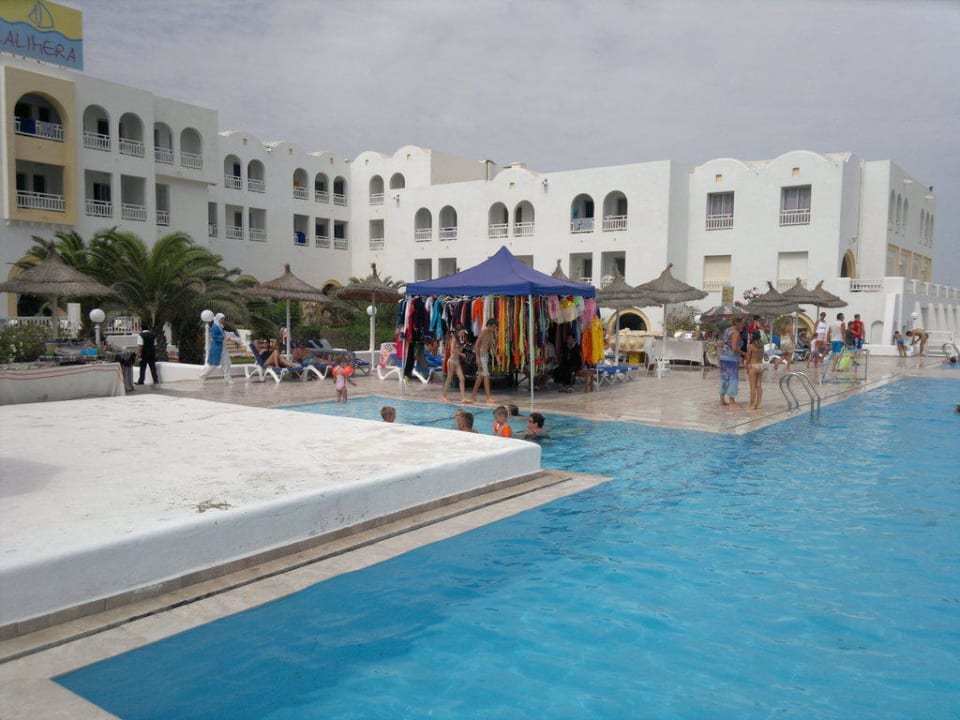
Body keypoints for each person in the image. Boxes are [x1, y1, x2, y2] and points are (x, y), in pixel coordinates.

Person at [199, 312, 235, 383]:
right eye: (222, 319)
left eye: (223, 319)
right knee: (213, 365)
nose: (223, 320)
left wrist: (226, 337)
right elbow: (214, 337)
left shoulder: (220, 326)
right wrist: (224, 338)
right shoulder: (215, 327)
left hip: (223, 348)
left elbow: (222, 335)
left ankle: (227, 378)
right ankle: (202, 377)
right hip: (216, 348)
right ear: (218, 319)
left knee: (227, 363)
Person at [470, 318, 498, 404]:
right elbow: (476, 345)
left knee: (480, 377)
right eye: (493, 327)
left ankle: (473, 396)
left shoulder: (490, 333)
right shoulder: (484, 332)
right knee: (486, 375)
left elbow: (491, 345)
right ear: (489, 325)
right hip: (481, 356)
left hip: (485, 356)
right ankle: (488, 397)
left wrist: (496, 357)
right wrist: (477, 357)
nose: (494, 329)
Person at [718, 316, 744, 408]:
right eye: (742, 323)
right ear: (737, 323)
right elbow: (734, 348)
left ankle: (722, 399)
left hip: (724, 357)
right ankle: (732, 401)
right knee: (733, 379)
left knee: (724, 377)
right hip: (732, 358)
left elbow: (725, 343)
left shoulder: (728, 330)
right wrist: (744, 353)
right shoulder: (735, 333)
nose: (743, 325)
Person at [441, 329, 467, 403]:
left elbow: (458, 349)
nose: (463, 334)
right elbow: (452, 350)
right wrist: (461, 354)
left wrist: (462, 348)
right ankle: (444, 396)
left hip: (457, 362)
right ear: (458, 331)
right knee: (449, 379)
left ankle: (463, 398)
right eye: (462, 332)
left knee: (462, 378)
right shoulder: (454, 338)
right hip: (452, 361)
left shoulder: (460, 340)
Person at [744, 329, 766, 410]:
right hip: (761, 366)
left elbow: (748, 358)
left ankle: (752, 405)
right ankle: (758, 404)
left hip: (753, 366)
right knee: (759, 385)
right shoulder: (762, 346)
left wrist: (747, 367)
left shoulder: (751, 346)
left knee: (752, 387)